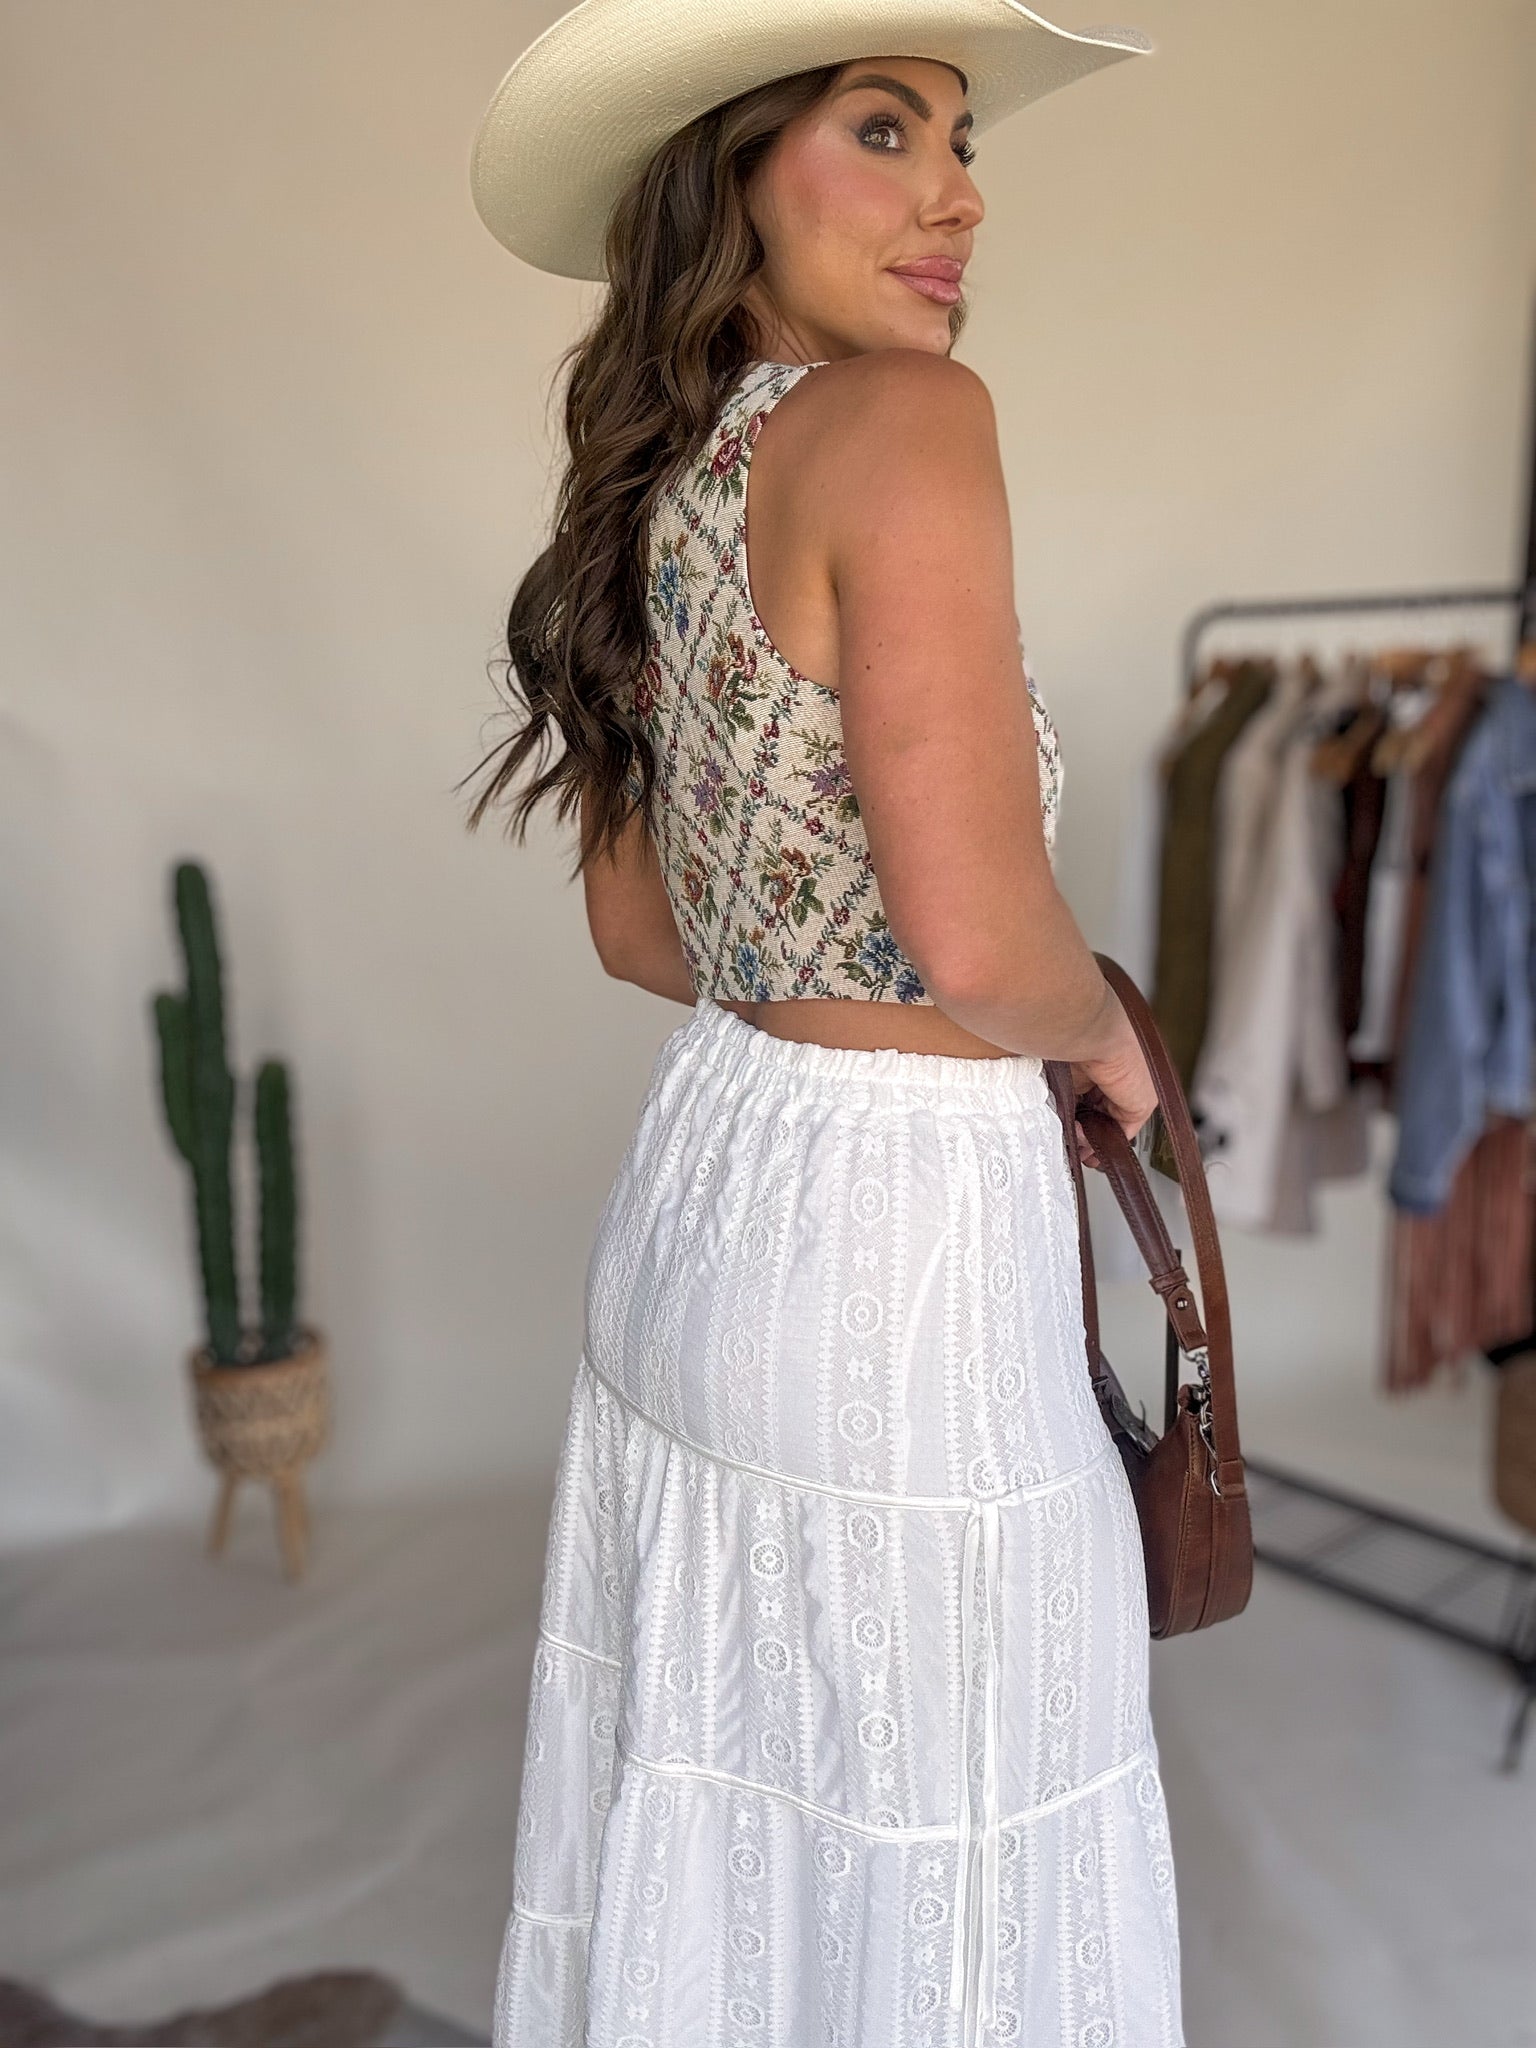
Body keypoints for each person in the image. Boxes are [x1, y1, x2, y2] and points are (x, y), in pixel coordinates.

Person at [463, 4, 1182, 2041]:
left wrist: (843, 974)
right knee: (959, 1828)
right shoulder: (904, 421)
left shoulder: (661, 474)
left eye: (961, 141)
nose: (957, 197)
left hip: (708, 1191)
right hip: (899, 1249)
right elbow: (976, 937)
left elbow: (642, 933)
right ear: (733, 165)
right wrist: (1099, 1031)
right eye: (886, 129)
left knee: (732, 1798)